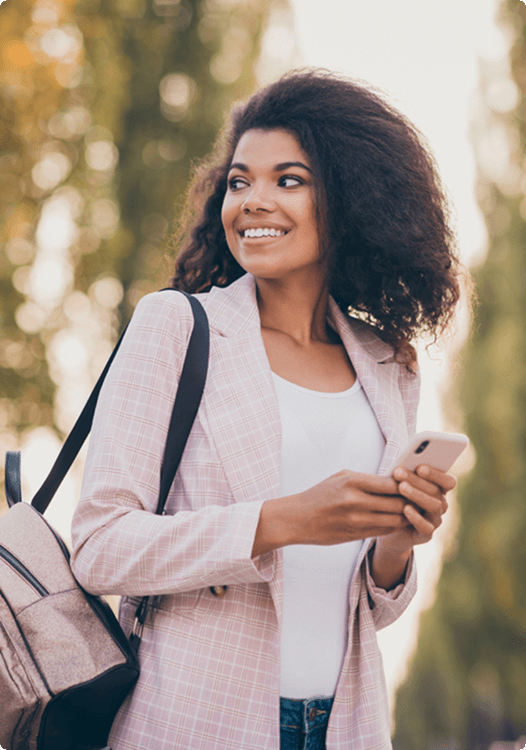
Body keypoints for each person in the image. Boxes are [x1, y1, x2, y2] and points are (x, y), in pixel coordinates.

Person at [71, 69, 462, 750]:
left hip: (342, 724)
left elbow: (370, 607)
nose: (253, 201)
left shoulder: (388, 364)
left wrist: (400, 539)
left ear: (349, 198)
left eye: (288, 180)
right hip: (193, 716)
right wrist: (284, 521)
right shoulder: (177, 326)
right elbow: (100, 548)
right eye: (239, 181)